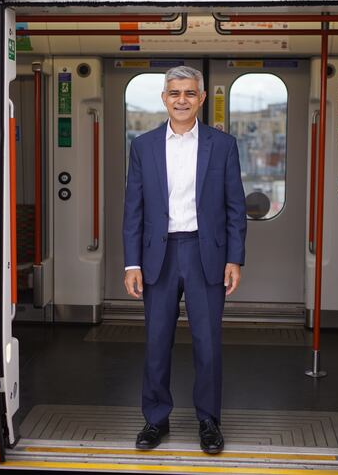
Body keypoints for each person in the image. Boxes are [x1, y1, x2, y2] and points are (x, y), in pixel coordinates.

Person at [122, 66, 247, 454]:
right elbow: (133, 209)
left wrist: (234, 259)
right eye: (174, 93)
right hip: (157, 256)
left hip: (204, 254)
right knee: (157, 342)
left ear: (202, 98)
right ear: (164, 98)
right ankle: (155, 419)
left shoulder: (222, 145)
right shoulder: (143, 146)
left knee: (207, 345)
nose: (182, 100)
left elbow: (235, 207)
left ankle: (208, 421)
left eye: (190, 93)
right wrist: (131, 263)